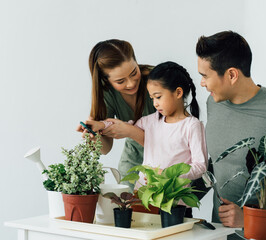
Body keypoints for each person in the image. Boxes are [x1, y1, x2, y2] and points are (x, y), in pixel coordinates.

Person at [195, 31, 266, 231]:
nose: (202, 82)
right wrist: (176, 196)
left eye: (205, 76)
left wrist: (248, 219)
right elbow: (218, 163)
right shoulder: (214, 102)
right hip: (218, 233)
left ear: (232, 75)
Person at [87, 61, 208, 218]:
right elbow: (126, 125)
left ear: (178, 93)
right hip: (143, 198)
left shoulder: (192, 126)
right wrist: (100, 125)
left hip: (174, 202)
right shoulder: (150, 121)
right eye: (151, 98)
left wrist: (169, 174)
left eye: (158, 97)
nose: (154, 103)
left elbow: (200, 166)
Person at [76, 39, 155, 189]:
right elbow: (105, 149)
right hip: (134, 160)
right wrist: (95, 137)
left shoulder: (159, 80)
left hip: (170, 159)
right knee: (128, 206)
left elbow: (174, 141)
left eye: (134, 73)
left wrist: (130, 131)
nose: (131, 83)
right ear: (105, 81)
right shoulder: (107, 95)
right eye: (120, 81)